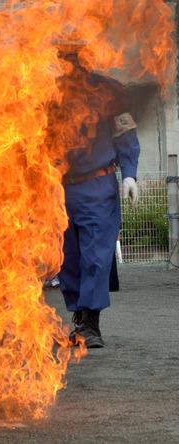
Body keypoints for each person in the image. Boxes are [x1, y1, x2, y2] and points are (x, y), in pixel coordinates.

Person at [55, 45, 140, 348]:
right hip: (59, 188)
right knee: (68, 259)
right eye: (65, 58)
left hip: (97, 187)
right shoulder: (47, 95)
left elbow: (126, 135)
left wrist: (129, 173)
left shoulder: (110, 92)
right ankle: (79, 317)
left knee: (96, 257)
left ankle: (91, 322)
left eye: (75, 57)